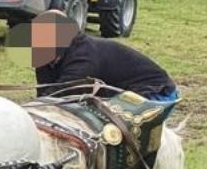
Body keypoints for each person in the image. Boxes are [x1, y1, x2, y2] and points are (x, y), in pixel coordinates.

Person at [31, 11, 178, 101]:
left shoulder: (83, 58)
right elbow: (45, 92)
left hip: (156, 92)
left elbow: (60, 94)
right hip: (117, 93)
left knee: (111, 132)